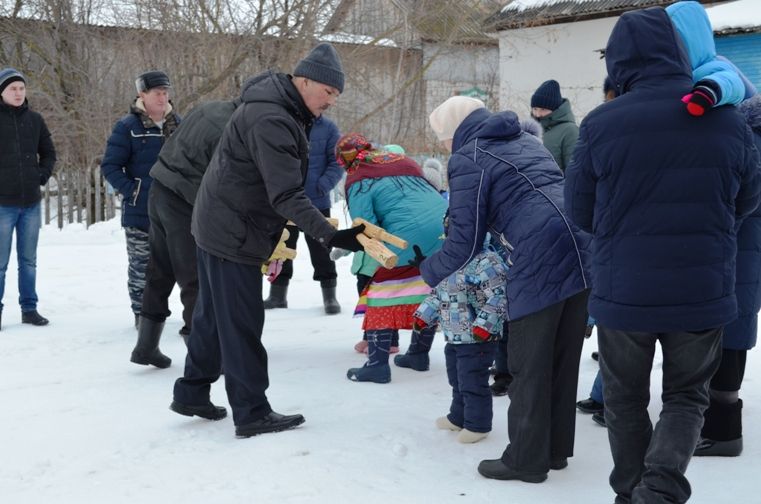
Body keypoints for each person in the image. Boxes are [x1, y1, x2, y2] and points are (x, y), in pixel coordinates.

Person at [564, 7, 761, 503]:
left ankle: (635, 492)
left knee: (625, 398)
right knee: (687, 395)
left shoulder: (601, 123)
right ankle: (661, 487)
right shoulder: (726, 121)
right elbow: (750, 198)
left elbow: (580, 211)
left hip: (623, 291)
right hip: (702, 289)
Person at [170, 43, 366, 438]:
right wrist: (331, 234)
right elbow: (287, 194)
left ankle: (191, 392)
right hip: (232, 231)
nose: (331, 101)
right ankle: (252, 411)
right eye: (328, 92)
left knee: (211, 315)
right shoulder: (273, 118)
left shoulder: (278, 107)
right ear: (304, 80)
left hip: (219, 222)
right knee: (241, 322)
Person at [424, 95, 591, 483]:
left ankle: (526, 460)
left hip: (538, 251)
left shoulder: (468, 158)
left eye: (443, 138)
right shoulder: (527, 141)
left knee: (528, 361)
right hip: (582, 243)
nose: (444, 147)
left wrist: (429, 270)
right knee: (562, 357)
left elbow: (465, 240)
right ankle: (554, 450)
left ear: (453, 132)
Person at [129, 95, 242, 369]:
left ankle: (146, 346)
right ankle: (202, 356)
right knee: (194, 277)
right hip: (183, 200)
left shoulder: (210, 107)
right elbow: (222, 178)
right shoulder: (232, 125)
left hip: (160, 189)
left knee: (160, 269)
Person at [337, 134, 447, 384]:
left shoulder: (358, 178)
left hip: (406, 237)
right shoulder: (402, 160)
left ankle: (377, 365)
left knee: (381, 293)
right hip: (444, 229)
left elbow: (365, 227)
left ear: (344, 160)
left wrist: (341, 241)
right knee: (425, 289)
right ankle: (418, 355)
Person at [694, 94, 761, 457]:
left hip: (738, 251)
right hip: (749, 252)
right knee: (734, 332)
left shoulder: (746, 139)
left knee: (727, 336)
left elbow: (740, 199)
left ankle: (723, 433)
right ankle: (719, 419)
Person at [101, 71, 180, 328]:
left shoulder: (178, 124)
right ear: (142, 94)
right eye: (157, 92)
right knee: (141, 268)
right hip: (140, 212)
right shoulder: (127, 127)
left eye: (165, 92)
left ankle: (164, 313)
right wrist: (131, 190)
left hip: (174, 212)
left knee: (174, 267)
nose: (162, 97)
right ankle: (142, 316)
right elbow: (111, 166)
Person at [415, 227, 508, 443]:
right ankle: (458, 417)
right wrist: (424, 315)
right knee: (456, 378)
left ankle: (478, 425)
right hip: (454, 334)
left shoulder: (488, 261)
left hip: (478, 337)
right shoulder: (449, 261)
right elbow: (438, 293)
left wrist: (484, 325)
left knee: (472, 380)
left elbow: (499, 296)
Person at [263, 113, 343, 314]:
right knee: (281, 247)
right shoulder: (284, 122)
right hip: (284, 200)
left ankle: (330, 296)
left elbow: (337, 163)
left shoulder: (329, 128)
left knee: (322, 248)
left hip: (316, 201)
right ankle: (277, 295)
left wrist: (322, 186)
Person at [0, 68, 56, 329]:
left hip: (30, 203)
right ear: (2, 91)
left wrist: (40, 176)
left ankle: (29, 308)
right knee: (0, 263)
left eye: (21, 88)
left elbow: (48, 153)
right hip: (2, 205)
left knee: (28, 260)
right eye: (13, 89)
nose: (18, 93)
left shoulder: (35, 120)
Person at [530, 79, 579, 171]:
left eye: (543, 109)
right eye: (535, 108)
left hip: (556, 185)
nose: (537, 114)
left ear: (555, 109)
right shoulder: (529, 131)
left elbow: (574, 171)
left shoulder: (570, 131)